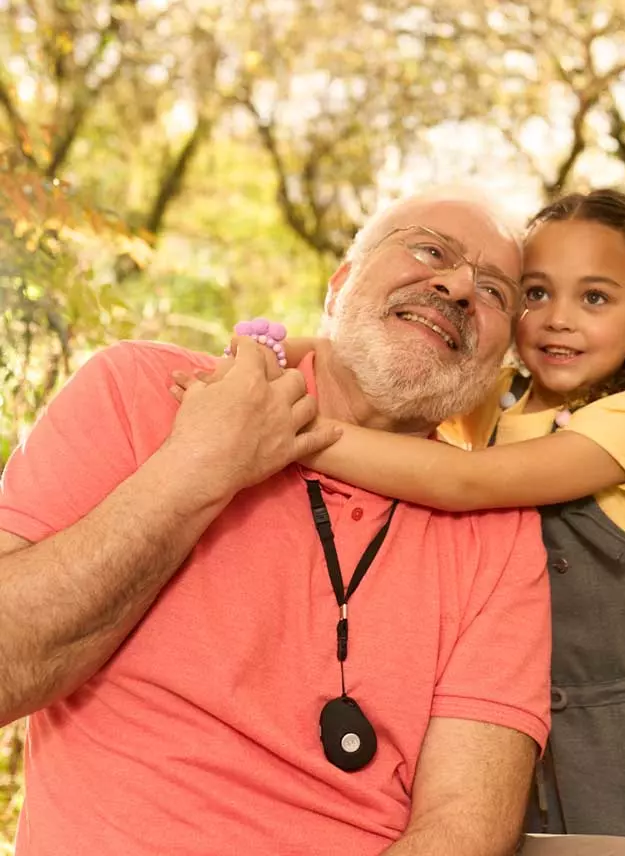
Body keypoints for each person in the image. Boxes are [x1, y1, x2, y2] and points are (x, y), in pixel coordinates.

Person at [0, 189, 555, 855]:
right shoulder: (141, 392)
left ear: (500, 361)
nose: (460, 285)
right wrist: (199, 464)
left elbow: (463, 829)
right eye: (430, 249)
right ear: (341, 283)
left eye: (495, 292)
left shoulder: (494, 530)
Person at [193, 189, 625, 856]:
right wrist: (262, 357)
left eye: (594, 299)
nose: (559, 320)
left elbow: (462, 482)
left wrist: (294, 429)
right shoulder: (496, 399)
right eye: (535, 294)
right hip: (511, 733)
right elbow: (364, 357)